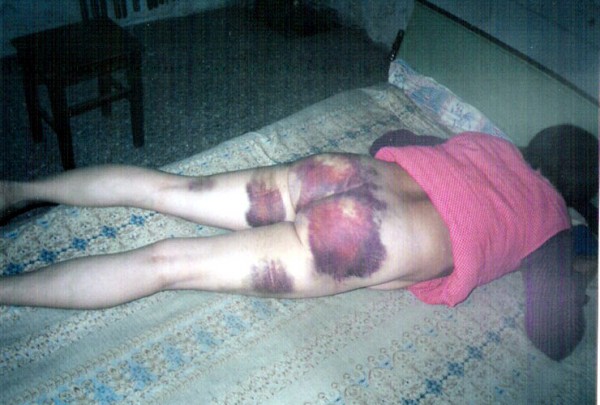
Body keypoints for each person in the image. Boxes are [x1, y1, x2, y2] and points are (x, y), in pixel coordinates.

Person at [0, 127, 595, 361]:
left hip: (338, 173)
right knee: (167, 263)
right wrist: (580, 272)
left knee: (167, 189)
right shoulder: (552, 222)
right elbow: (554, 335)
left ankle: (16, 189)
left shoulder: (489, 145)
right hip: (365, 239)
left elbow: (392, 138)